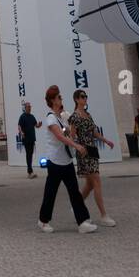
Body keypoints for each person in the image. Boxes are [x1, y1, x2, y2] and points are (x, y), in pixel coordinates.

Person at [38, 86, 96, 234]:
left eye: (60, 97)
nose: (61, 99)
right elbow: (60, 137)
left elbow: (68, 134)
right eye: (58, 97)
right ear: (52, 100)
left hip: (66, 161)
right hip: (55, 162)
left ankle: (82, 221)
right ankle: (43, 221)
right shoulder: (50, 118)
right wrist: (76, 145)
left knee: (74, 192)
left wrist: (74, 135)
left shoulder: (62, 117)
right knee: (50, 192)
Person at [68, 88, 116, 226]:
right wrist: (77, 147)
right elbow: (72, 136)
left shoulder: (88, 115)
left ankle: (76, 206)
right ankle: (104, 215)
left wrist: (106, 140)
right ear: (77, 99)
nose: (85, 98)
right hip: (84, 152)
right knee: (96, 181)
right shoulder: (74, 117)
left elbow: (94, 132)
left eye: (86, 96)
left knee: (89, 185)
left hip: (93, 150)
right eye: (82, 96)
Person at [18, 102, 39, 177]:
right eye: (28, 107)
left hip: (32, 138)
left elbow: (36, 125)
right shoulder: (22, 116)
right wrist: (22, 133)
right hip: (26, 138)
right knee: (28, 154)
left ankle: (30, 171)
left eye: (30, 107)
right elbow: (19, 126)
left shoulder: (32, 116)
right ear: (25, 108)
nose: (30, 108)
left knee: (31, 154)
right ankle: (30, 172)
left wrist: (39, 125)